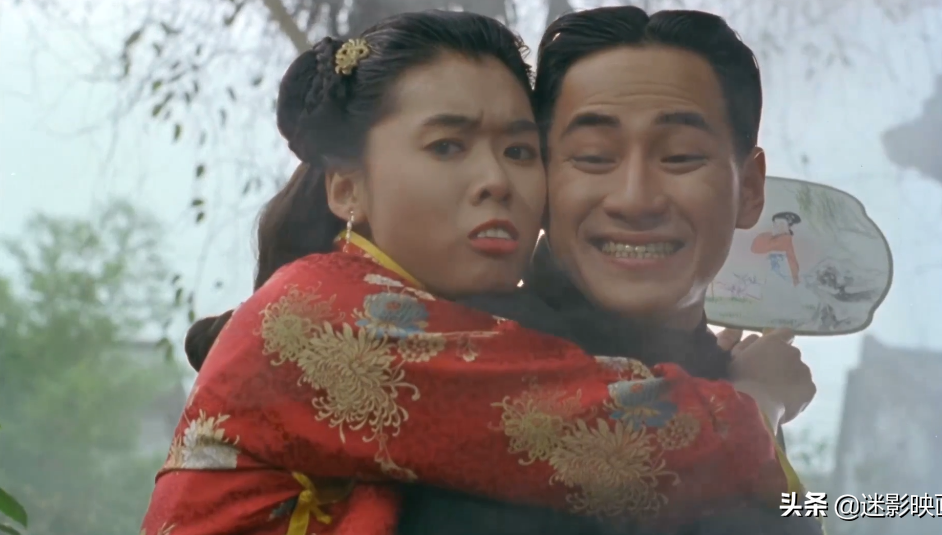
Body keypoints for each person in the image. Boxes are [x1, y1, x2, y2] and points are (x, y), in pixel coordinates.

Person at [141, 9, 806, 535]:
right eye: (447, 146)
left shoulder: (430, 332)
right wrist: (760, 400)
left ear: (750, 188)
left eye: (517, 150)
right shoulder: (372, 331)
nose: (495, 180)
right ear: (347, 187)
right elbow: (619, 440)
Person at [398, 7, 820, 535]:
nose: (634, 200)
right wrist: (757, 406)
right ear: (541, 180)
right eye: (594, 157)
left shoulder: (732, 382)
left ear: (750, 189)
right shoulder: (463, 358)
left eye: (681, 157)